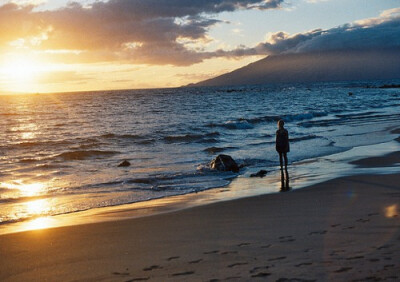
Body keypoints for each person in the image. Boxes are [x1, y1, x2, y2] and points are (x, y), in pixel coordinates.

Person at [276, 119, 290, 190]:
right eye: (279, 124)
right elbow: (276, 139)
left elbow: (287, 139)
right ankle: (282, 167)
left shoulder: (285, 131)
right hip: (279, 145)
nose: (280, 125)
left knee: (284, 156)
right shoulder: (277, 131)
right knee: (280, 156)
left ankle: (285, 167)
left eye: (281, 124)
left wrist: (286, 145)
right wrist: (276, 146)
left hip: (284, 144)